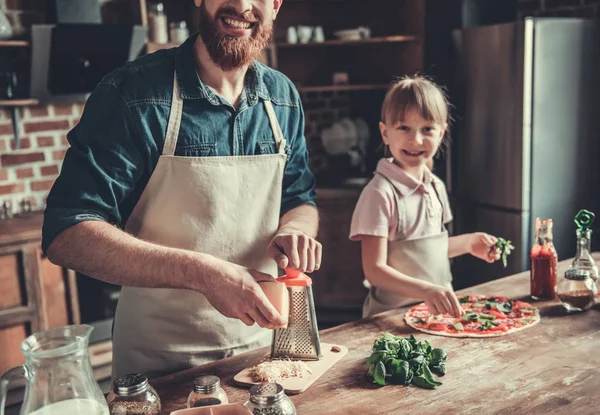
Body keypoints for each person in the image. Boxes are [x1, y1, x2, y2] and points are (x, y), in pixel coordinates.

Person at [42, 0, 322, 379]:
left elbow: (299, 199)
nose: (241, 6)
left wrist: (297, 229)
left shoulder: (283, 96)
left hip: (263, 356)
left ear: (275, 5)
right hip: (160, 364)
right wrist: (203, 274)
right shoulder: (133, 93)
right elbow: (67, 234)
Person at [349, 75, 500, 318]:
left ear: (441, 133)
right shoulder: (379, 193)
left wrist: (470, 243)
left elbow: (426, 252)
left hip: (435, 315)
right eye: (404, 128)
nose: (415, 140)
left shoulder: (436, 186)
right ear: (385, 133)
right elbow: (374, 270)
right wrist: (426, 291)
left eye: (427, 129)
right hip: (391, 318)